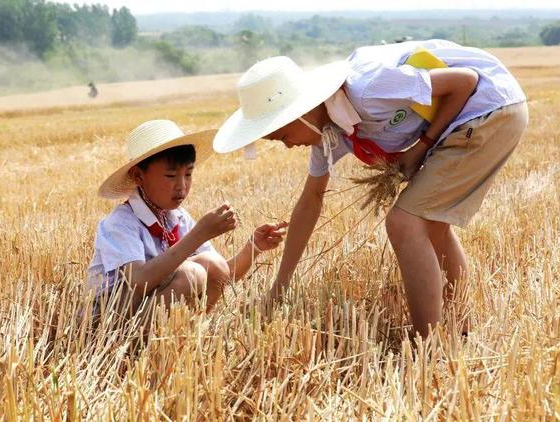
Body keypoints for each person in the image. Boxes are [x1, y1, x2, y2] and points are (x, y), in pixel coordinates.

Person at [213, 39, 528, 338]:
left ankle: (426, 343)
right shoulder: (331, 132)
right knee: (432, 226)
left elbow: (465, 81)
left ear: (299, 112)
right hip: (478, 115)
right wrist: (280, 285)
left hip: (489, 109)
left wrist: (420, 148)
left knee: (405, 222)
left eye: (281, 136)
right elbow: (310, 201)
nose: (288, 145)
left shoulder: (368, 90)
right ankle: (460, 327)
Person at [88, 120, 287, 319]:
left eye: (188, 174)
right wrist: (199, 234)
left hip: (151, 310)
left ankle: (182, 337)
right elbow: (140, 280)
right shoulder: (121, 222)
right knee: (192, 274)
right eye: (170, 175)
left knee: (212, 264)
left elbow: (223, 275)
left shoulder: (178, 218)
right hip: (114, 320)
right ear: (138, 176)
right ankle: (140, 344)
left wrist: (254, 247)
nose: (181, 186)